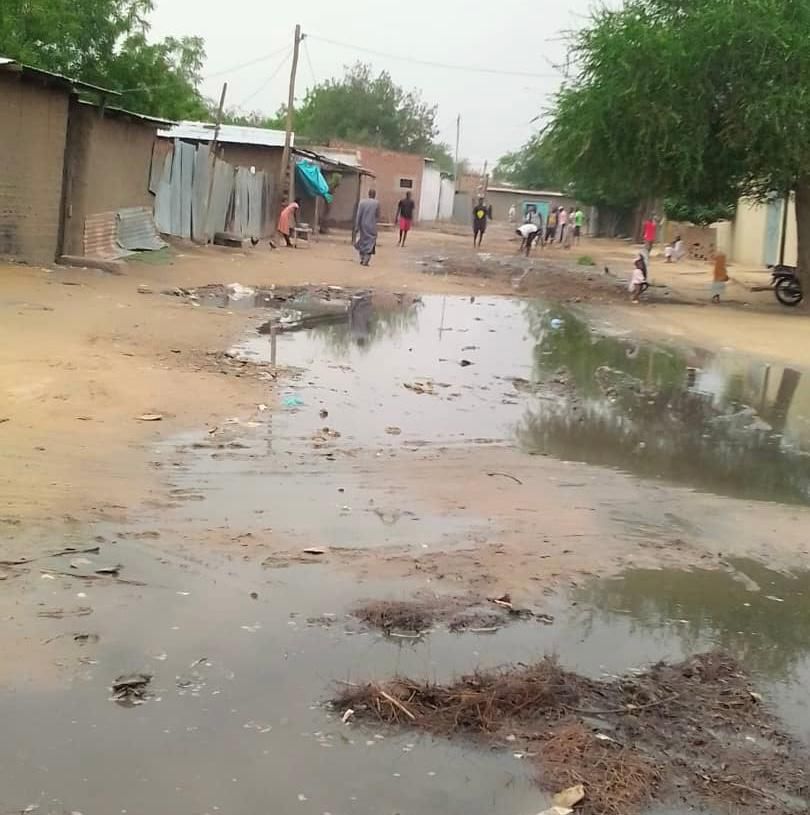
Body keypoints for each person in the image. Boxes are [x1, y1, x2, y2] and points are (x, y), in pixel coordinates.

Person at [354, 189, 380, 266]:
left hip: (363, 226)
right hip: (372, 226)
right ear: (374, 195)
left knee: (362, 241)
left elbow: (358, 215)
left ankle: (362, 258)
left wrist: (357, 226)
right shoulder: (376, 203)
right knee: (371, 242)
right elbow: (378, 215)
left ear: (368, 194)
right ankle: (366, 260)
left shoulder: (362, 202)